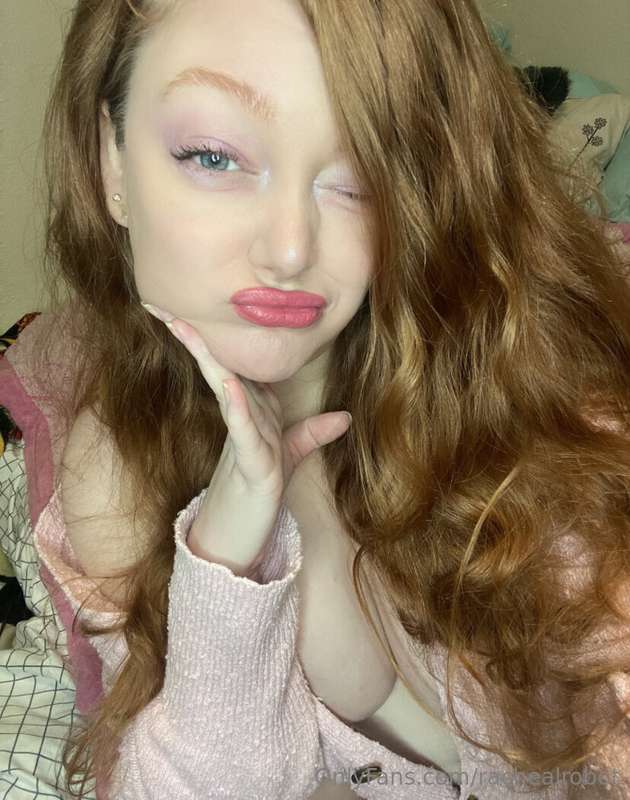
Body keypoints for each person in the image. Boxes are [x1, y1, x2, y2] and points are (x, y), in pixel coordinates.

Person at [0, 0, 629, 798]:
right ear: (112, 163)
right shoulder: (116, 456)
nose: (290, 248)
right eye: (214, 155)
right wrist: (228, 571)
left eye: (359, 173)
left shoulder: (550, 395)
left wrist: (371, 676)